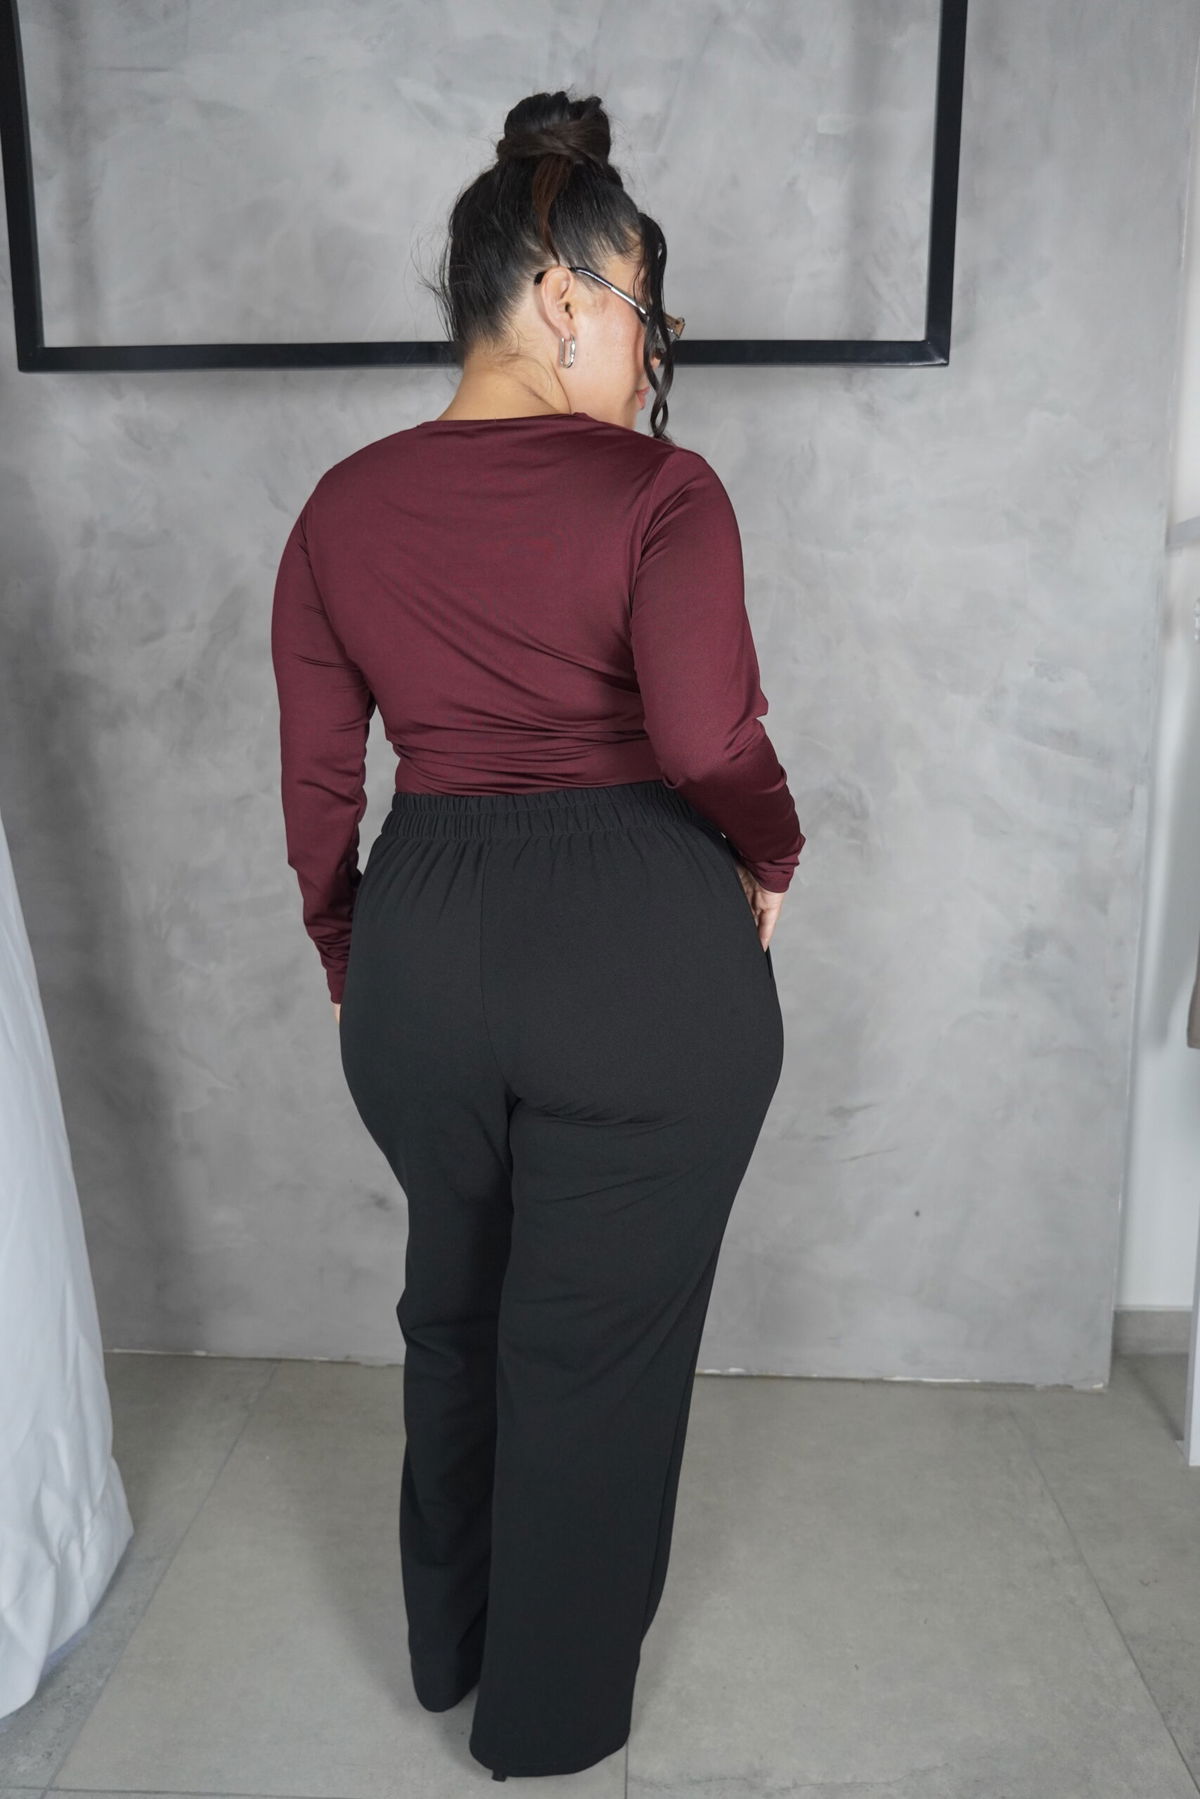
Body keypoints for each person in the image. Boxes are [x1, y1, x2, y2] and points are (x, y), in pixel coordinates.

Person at [270, 87, 806, 1782]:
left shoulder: (339, 507)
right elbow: (708, 739)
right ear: (568, 295)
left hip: (423, 951)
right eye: (647, 308)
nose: (655, 352)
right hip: (638, 951)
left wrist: (353, 955)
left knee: (458, 1307)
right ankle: (549, 1723)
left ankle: (452, 1649)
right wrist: (776, 853)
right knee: (593, 1355)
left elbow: (315, 785)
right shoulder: (663, 492)